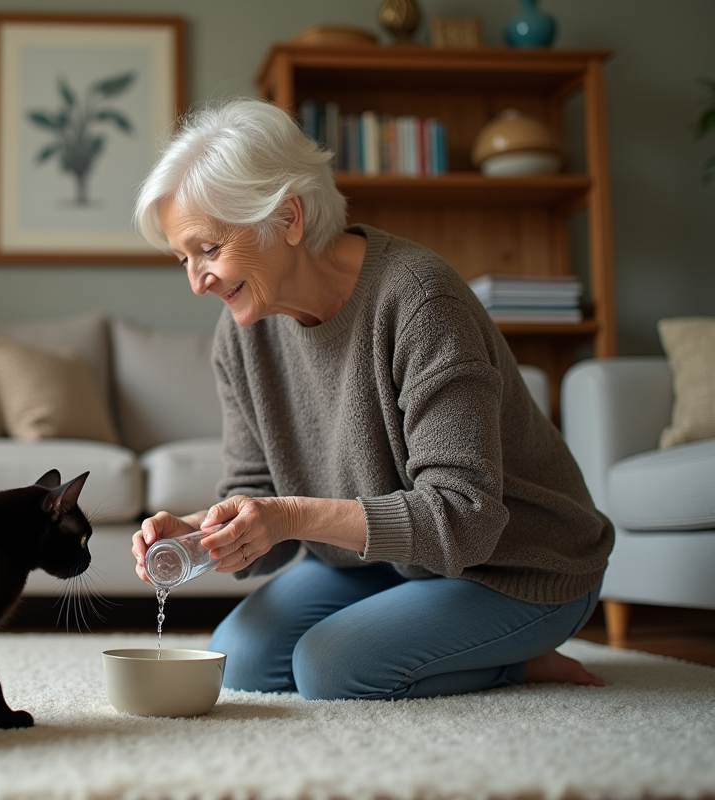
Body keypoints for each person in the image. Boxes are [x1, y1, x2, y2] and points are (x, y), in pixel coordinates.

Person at [130, 98, 613, 701]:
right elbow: (253, 490)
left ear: (288, 218)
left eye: (209, 250)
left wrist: (285, 517)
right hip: (377, 562)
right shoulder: (240, 336)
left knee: (330, 668)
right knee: (245, 661)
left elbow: (462, 519)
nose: (196, 281)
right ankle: (427, 637)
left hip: (516, 565)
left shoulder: (419, 301)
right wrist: (202, 537)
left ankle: (521, 662)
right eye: (184, 258)